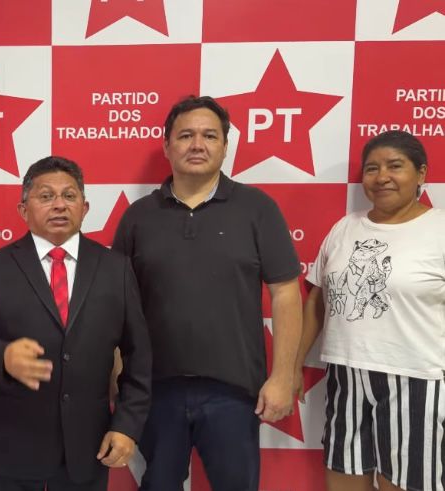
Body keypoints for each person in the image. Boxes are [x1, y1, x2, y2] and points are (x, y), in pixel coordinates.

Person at [112, 95, 303, 490]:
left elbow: (286, 292)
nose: (197, 145)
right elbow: (116, 305)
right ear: (167, 146)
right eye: (185, 135)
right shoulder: (138, 217)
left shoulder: (258, 209)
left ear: (225, 146)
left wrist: (283, 376)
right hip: (155, 391)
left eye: (209, 136)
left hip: (234, 393)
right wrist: (117, 376)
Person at [0, 156, 151, 491]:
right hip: (9, 451)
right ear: (24, 210)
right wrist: (2, 357)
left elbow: (139, 357)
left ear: (84, 207)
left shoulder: (116, 269)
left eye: (69, 196)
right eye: (46, 196)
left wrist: (127, 426)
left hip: (87, 451)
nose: (59, 205)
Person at [296, 130, 444, 491]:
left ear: (421, 173)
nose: (382, 177)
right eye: (372, 168)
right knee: (343, 477)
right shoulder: (345, 227)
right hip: (346, 375)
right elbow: (318, 301)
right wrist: (292, 366)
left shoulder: (439, 229)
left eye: (395, 166)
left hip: (417, 379)